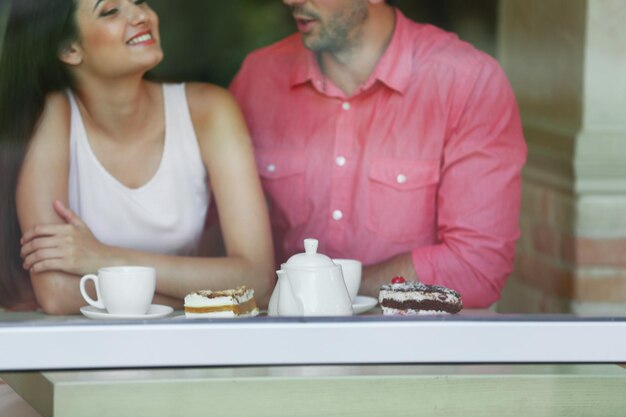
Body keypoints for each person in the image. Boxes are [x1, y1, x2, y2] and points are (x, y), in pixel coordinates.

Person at [230, 0, 527, 308]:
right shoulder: (258, 77)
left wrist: (326, 287)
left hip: (416, 344)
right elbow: (212, 237)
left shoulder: (469, 82)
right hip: (281, 340)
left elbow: (476, 270)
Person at [0, 0, 274, 315]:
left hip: (191, 349)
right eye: (111, 11)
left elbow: (257, 281)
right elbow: (58, 295)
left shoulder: (210, 110)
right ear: (69, 49)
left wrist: (103, 258)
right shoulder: (52, 117)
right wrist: (202, 299)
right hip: (84, 352)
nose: (142, 15)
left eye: (139, 2)